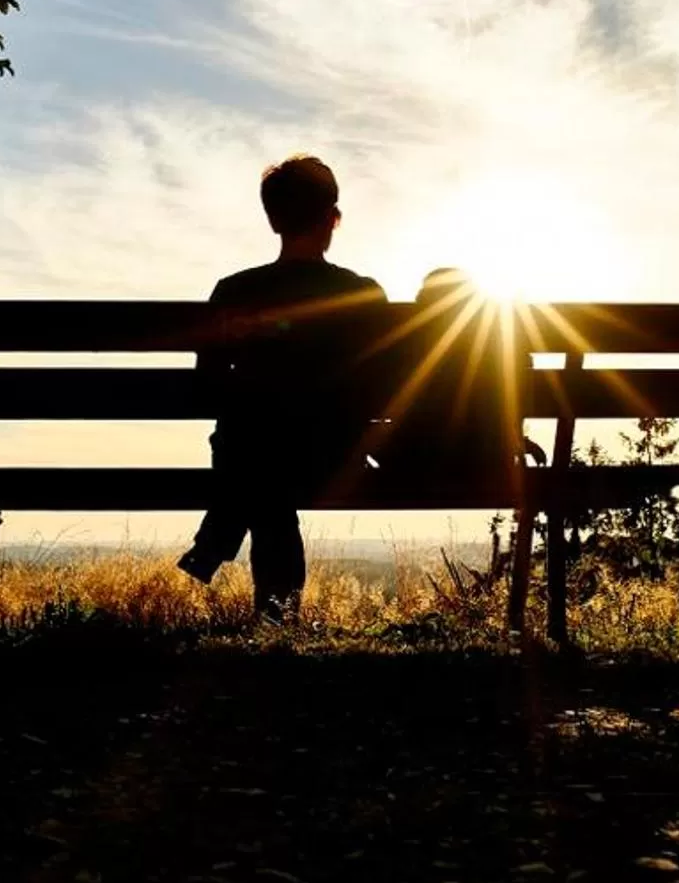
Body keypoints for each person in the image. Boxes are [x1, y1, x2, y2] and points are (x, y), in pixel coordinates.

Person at [177, 155, 386, 619]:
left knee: (261, 460)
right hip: (332, 455)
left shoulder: (234, 291)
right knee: (269, 466)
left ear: (272, 220)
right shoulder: (363, 293)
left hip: (246, 453)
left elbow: (206, 382)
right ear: (334, 219)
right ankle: (273, 612)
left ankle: (225, 552)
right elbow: (383, 384)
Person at [368, 267, 534, 500]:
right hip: (488, 463)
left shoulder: (407, 341)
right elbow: (519, 395)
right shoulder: (501, 338)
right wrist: (516, 440)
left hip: (416, 461)